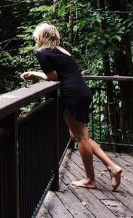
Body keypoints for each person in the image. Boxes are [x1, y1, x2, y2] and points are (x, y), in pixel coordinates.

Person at [20, 23, 122, 191]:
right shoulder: (62, 51)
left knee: (81, 136)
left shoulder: (42, 52)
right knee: (77, 135)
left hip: (72, 94)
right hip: (81, 91)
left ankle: (91, 179)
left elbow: (53, 77)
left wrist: (35, 74)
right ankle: (111, 166)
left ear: (41, 36)